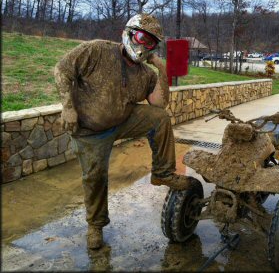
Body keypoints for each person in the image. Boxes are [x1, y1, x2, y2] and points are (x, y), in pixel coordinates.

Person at [54, 13, 191, 250]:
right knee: (95, 178)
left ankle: (163, 172)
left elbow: (159, 106)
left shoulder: (146, 73)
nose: (144, 45)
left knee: (160, 118)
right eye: (141, 37)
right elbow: (62, 70)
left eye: (151, 42)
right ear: (128, 33)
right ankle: (95, 225)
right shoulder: (97, 51)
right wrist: (68, 107)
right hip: (90, 129)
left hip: (123, 120)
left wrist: (162, 70)